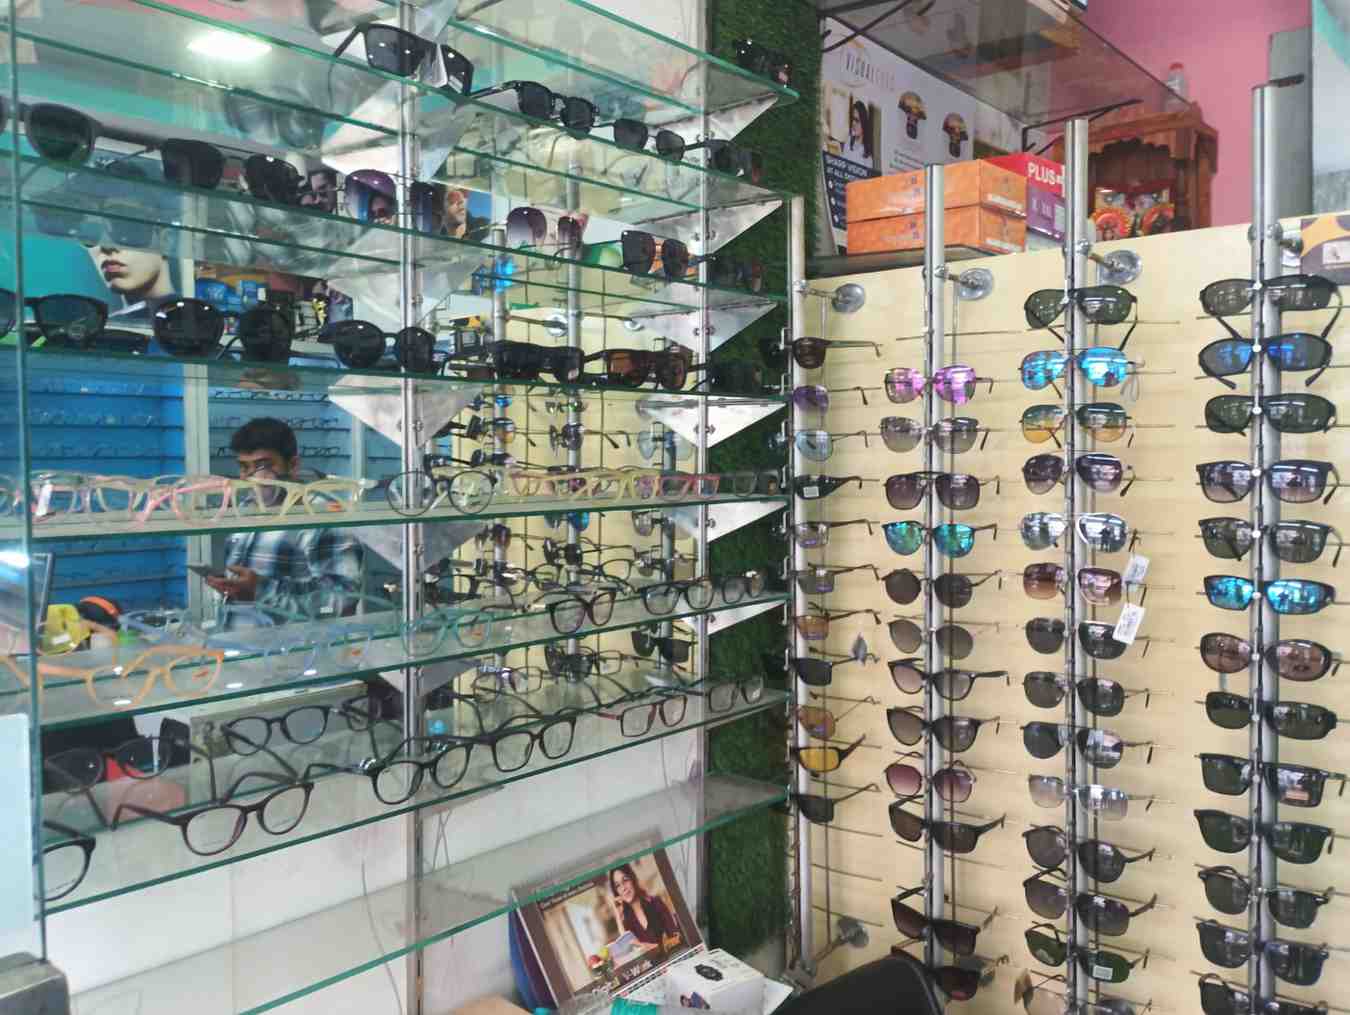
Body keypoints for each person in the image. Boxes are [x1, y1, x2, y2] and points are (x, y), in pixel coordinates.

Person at [205, 418, 364, 615]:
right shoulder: (245, 508)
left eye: (263, 466)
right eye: (245, 467)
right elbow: (243, 590)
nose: (252, 477)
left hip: (296, 637)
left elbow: (344, 600)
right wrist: (231, 586)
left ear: (293, 465)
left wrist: (261, 590)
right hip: (236, 633)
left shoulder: (323, 517)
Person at [609, 863, 678, 946]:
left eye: (625, 880)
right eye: (618, 885)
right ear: (616, 892)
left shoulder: (655, 903)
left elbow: (675, 937)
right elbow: (628, 947)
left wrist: (644, 946)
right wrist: (617, 915)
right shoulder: (627, 921)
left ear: (633, 879)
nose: (623, 888)